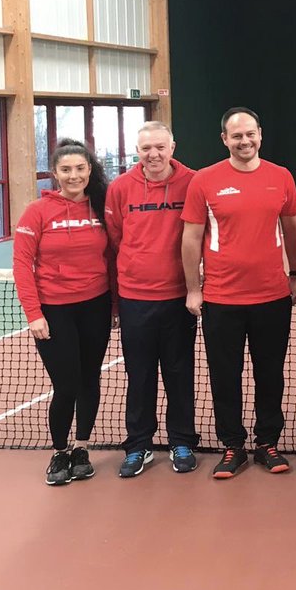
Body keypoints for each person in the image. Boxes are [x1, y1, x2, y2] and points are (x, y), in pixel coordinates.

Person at [181, 107, 296, 479]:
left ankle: (268, 442)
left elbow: (293, 230)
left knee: (270, 374)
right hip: (221, 299)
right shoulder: (204, 180)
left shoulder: (280, 177)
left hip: (271, 297)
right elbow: (191, 237)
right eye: (237, 136)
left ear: (260, 135)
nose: (244, 141)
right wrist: (193, 289)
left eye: (250, 134)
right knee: (224, 376)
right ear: (225, 140)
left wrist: (295, 274)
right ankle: (233, 446)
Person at [12, 139, 113, 486]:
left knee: (90, 379)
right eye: (66, 170)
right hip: (55, 311)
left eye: (80, 168)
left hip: (96, 306)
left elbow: (113, 258)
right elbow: (22, 264)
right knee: (66, 384)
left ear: (89, 170)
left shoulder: (101, 206)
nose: (74, 176)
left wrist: (113, 306)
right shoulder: (37, 212)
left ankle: (81, 447)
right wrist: (33, 313)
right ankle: (59, 452)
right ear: (54, 173)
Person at [104, 121, 200, 477]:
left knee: (179, 373)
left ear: (173, 147)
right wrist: (118, 299)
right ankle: (139, 446)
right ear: (137, 151)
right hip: (134, 300)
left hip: (178, 299)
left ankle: (182, 442)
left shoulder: (193, 182)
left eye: (160, 147)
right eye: (146, 148)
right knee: (139, 375)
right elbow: (115, 240)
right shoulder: (120, 188)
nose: (153, 154)